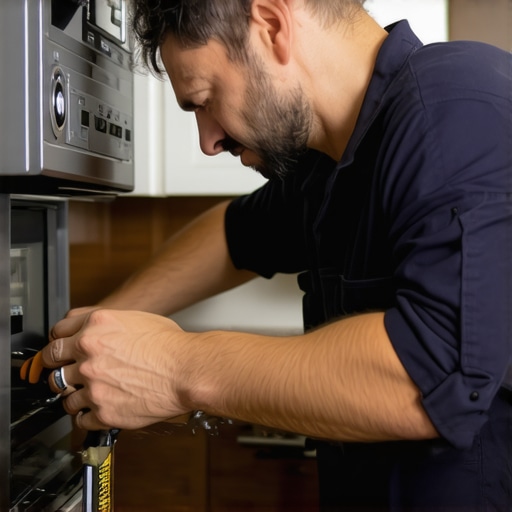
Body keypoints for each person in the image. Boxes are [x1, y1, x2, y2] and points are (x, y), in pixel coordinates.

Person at [39, 0, 511, 509]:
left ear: (270, 25)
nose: (208, 141)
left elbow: (426, 377)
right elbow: (231, 236)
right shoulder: (331, 160)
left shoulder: (454, 108)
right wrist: (106, 329)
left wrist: (174, 369)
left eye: (203, 99)